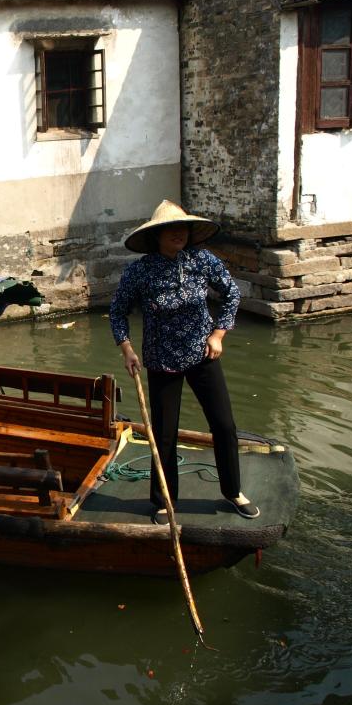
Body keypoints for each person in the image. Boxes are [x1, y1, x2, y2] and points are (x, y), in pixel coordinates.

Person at [109, 200, 259, 525]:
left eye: (183, 228)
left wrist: (218, 334)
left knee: (223, 424)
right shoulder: (140, 271)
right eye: (170, 229)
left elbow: (232, 294)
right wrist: (127, 349)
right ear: (157, 236)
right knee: (164, 433)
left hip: (202, 354)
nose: (178, 234)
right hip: (161, 359)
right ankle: (164, 500)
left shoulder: (202, 260)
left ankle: (233, 491)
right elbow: (118, 311)